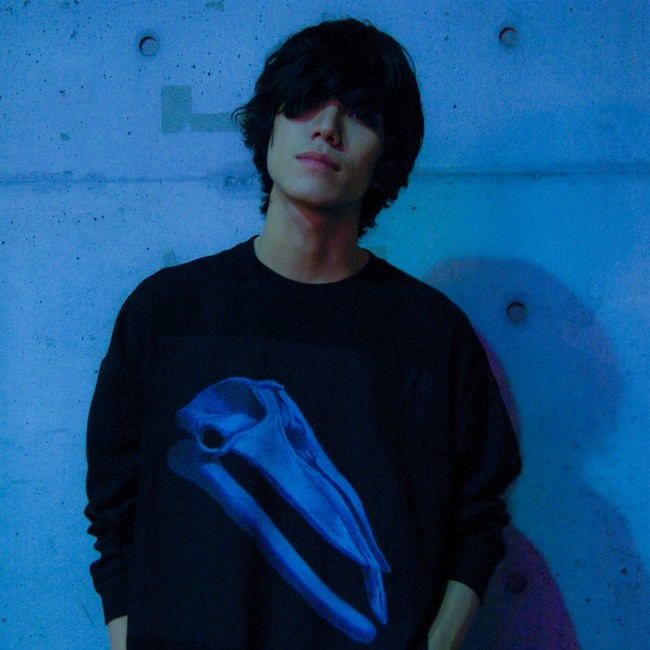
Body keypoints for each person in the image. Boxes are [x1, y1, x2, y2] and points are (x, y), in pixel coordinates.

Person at [85, 18, 521, 650]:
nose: (327, 128)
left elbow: (478, 519)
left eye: (361, 114)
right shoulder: (166, 313)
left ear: (387, 154)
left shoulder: (432, 334)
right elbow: (113, 509)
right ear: (270, 125)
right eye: (305, 103)